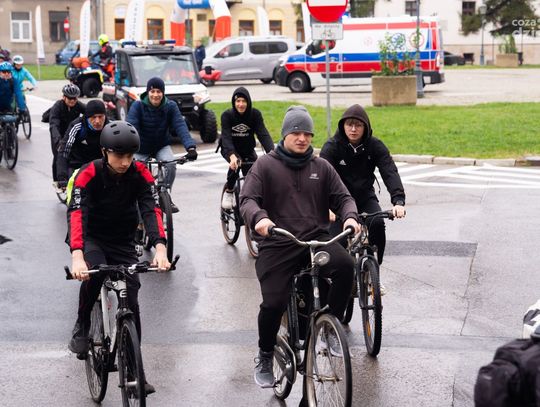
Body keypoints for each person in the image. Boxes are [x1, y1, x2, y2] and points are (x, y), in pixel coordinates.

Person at [239, 105, 360, 388]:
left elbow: (343, 198)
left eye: (307, 133)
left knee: (346, 266)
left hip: (314, 241)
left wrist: (350, 217)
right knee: (273, 302)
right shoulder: (265, 165)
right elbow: (247, 200)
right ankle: (265, 354)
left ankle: (329, 326)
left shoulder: (321, 167)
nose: (303, 138)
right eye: (296, 132)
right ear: (285, 134)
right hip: (278, 243)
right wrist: (259, 218)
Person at [66, 121, 170, 396]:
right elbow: (76, 214)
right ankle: (83, 324)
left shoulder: (140, 173)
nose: (125, 162)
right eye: (119, 155)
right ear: (104, 152)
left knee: (131, 299)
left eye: (130, 156)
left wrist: (160, 248)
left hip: (123, 239)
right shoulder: (88, 174)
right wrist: (77, 256)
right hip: (91, 237)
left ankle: (135, 371)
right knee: (95, 272)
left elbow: (151, 209)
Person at [320, 104, 406, 271]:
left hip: (364, 197)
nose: (353, 129)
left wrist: (398, 201)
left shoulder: (375, 145)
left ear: (365, 127)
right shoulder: (332, 147)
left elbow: (389, 171)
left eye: (358, 125)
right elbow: (322, 178)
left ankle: (374, 268)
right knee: (338, 242)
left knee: (377, 224)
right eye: (349, 124)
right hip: (338, 201)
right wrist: (325, 206)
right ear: (342, 126)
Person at [127, 77, 197, 212]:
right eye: (152, 91)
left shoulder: (170, 106)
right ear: (148, 92)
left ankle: (165, 195)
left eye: (159, 91)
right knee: (134, 171)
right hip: (141, 147)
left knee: (170, 164)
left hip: (161, 145)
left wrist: (191, 147)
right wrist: (129, 149)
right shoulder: (138, 106)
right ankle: (135, 200)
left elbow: (180, 125)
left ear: (163, 93)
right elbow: (132, 127)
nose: (155, 95)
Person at [220, 87, 274, 209]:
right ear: (234, 102)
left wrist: (272, 153)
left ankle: (250, 198)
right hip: (229, 149)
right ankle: (229, 191)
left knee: (252, 174)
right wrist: (232, 156)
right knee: (235, 165)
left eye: (244, 101)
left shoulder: (255, 115)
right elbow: (226, 137)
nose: (241, 104)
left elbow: (263, 134)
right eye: (238, 101)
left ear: (248, 102)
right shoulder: (227, 116)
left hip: (247, 149)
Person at [57, 100, 109, 187]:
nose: (97, 121)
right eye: (93, 117)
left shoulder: (109, 127)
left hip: (99, 164)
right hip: (78, 165)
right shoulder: (77, 126)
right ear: (87, 117)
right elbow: (64, 150)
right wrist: (62, 177)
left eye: (100, 117)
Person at [48, 84, 86, 187]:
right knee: (59, 155)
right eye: (70, 98)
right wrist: (58, 141)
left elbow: (89, 112)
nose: (72, 101)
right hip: (58, 134)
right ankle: (57, 181)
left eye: (75, 98)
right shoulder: (57, 107)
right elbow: (53, 125)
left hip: (71, 133)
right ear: (63, 97)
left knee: (76, 154)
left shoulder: (78, 105)